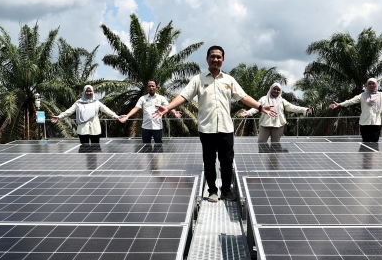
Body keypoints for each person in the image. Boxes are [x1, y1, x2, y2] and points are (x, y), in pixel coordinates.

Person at [154, 45, 276, 202]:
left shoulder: (229, 80)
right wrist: (168, 107)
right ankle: (212, 191)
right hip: (207, 128)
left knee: (227, 161)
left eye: (219, 57)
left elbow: (243, 97)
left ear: (223, 60)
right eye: (213, 56)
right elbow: (184, 96)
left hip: (226, 128)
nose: (215, 59)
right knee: (209, 161)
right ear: (207, 59)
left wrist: (260, 107)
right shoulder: (198, 79)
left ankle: (226, 190)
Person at [329, 78, 382, 144]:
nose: (371, 85)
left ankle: (373, 165)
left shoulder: (381, 95)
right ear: (367, 85)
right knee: (365, 143)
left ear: (376, 85)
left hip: (376, 123)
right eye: (369, 84)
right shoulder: (362, 95)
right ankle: (366, 163)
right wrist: (339, 104)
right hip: (364, 123)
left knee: (374, 144)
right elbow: (350, 101)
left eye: (373, 83)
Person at [238, 82, 310, 145]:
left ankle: (274, 160)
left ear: (280, 91)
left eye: (278, 89)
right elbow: (256, 108)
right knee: (261, 142)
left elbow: (292, 107)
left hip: (278, 125)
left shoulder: (282, 101)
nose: (276, 91)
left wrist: (305, 109)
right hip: (265, 124)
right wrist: (247, 112)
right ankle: (262, 159)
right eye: (274, 89)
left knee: (275, 144)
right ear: (271, 89)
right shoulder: (263, 99)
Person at [118, 80, 180, 145]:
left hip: (157, 127)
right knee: (146, 146)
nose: (151, 88)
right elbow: (136, 108)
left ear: (156, 87)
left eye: (153, 86)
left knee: (159, 145)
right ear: (147, 88)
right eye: (149, 86)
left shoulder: (161, 98)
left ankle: (159, 155)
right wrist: (127, 116)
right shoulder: (142, 98)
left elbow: (168, 107)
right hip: (146, 127)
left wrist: (174, 112)